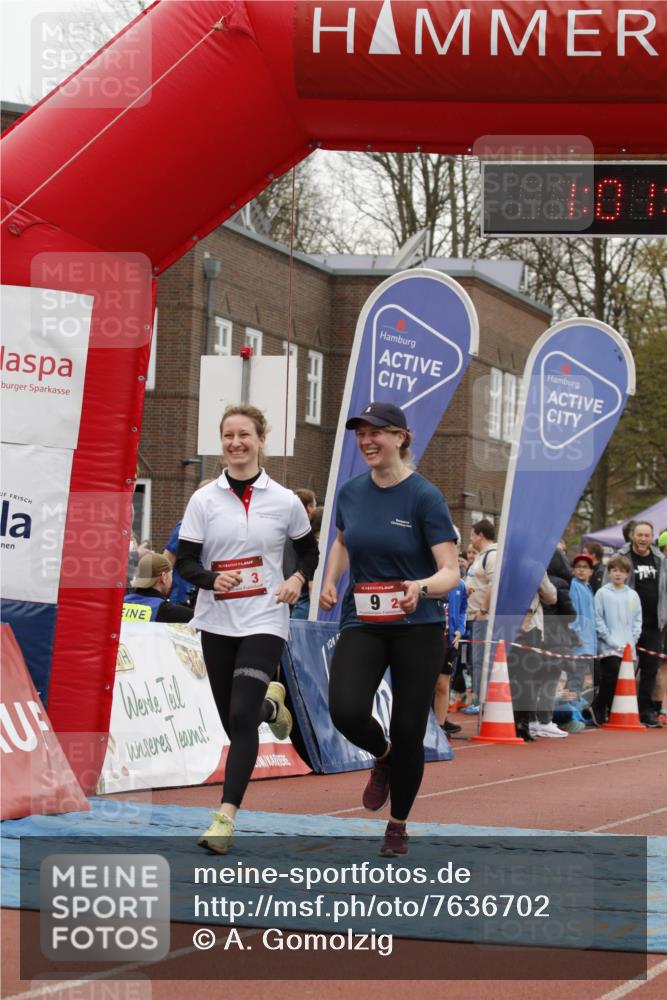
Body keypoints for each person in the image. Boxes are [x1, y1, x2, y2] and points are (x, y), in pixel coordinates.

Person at [176, 404, 319, 853]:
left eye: (244, 435)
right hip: (217, 619)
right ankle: (271, 709)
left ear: (261, 440)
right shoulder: (204, 500)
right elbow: (184, 562)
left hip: (265, 617)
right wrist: (209, 579)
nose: (235, 443)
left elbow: (309, 552)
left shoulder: (285, 500)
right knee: (232, 719)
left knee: (240, 716)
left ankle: (225, 817)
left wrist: (297, 579)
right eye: (228, 436)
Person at [319, 401, 459, 857]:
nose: (366, 441)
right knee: (345, 709)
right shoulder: (351, 493)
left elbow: (451, 572)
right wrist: (331, 580)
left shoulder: (425, 497)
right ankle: (383, 756)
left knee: (409, 727)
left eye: (375, 432)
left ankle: (398, 824)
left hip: (417, 626)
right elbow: (343, 541)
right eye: (360, 434)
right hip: (364, 618)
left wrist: (420, 586)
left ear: (400, 437)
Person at [610, 520, 666, 727]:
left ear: (652, 538)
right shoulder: (622, 557)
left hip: (654, 623)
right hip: (626, 623)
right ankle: (612, 706)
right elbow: (609, 586)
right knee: (621, 666)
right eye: (640, 535)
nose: (643, 539)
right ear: (633, 536)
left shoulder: (660, 559)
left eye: (647, 536)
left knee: (650, 669)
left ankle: (646, 711)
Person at [589, 554, 642, 726]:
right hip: (608, 647)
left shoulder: (633, 595)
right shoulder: (602, 593)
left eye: (621, 571)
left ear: (627, 574)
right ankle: (598, 705)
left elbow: (637, 619)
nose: (618, 574)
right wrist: (609, 640)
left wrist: (633, 639)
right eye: (614, 570)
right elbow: (598, 618)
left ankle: (612, 710)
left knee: (623, 680)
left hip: (628, 647)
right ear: (609, 573)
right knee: (611, 676)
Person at [463, 519, 497, 713]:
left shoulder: (491, 555)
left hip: (482, 617)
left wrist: (483, 610)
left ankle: (480, 701)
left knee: (480, 660)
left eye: (472, 534)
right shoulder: (481, 556)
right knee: (474, 661)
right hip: (473, 616)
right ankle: (478, 699)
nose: (471, 539)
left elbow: (493, 583)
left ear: (480, 535)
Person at [434, 572, 467, 737]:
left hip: (449, 642)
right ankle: (424, 728)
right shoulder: (426, 578)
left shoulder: (459, 584)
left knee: (442, 684)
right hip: (427, 641)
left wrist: (460, 629)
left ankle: (440, 728)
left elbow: (463, 609)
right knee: (425, 685)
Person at [122, 551, 194, 623]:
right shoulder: (165, 610)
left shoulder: (122, 602)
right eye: (171, 574)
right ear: (164, 577)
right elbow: (196, 619)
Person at [568, 553, 597, 696]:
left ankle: (574, 704)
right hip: (579, 642)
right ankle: (570, 706)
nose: (581, 569)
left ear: (591, 571)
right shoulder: (574, 586)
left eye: (585, 567)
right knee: (575, 678)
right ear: (573, 570)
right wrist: (575, 635)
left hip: (588, 642)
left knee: (580, 679)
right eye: (578, 567)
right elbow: (573, 612)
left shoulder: (587, 587)